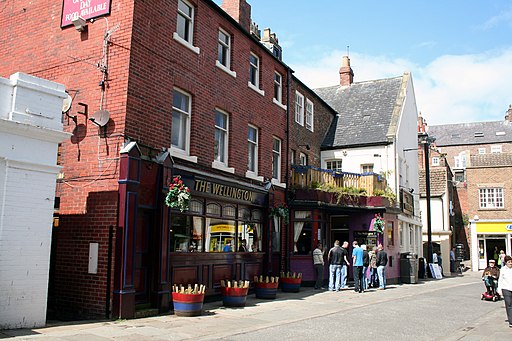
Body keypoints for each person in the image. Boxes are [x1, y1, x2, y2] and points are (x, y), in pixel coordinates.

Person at [497, 255, 512, 328]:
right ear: (506, 263)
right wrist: (499, 289)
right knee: (509, 304)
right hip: (506, 288)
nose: (510, 263)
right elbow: (500, 280)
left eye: (511, 262)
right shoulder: (503, 269)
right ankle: (511, 321)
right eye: (509, 262)